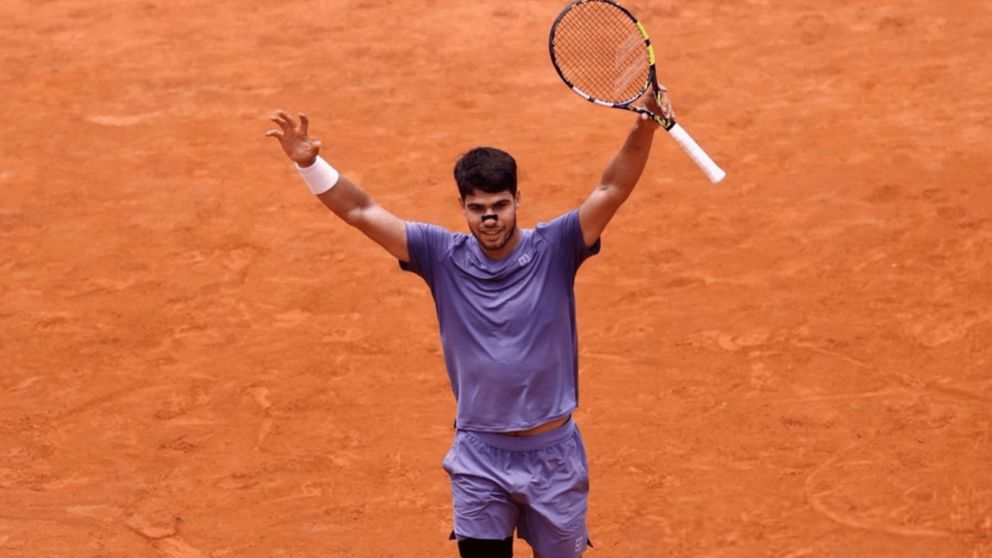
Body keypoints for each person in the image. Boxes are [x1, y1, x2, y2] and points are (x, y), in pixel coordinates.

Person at [266, 87, 673, 558]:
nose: (490, 219)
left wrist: (643, 126)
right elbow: (361, 211)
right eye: (477, 209)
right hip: (480, 454)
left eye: (499, 205)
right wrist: (309, 165)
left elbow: (612, 188)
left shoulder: (557, 246)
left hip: (554, 456)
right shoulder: (439, 255)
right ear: (463, 207)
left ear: (517, 198)